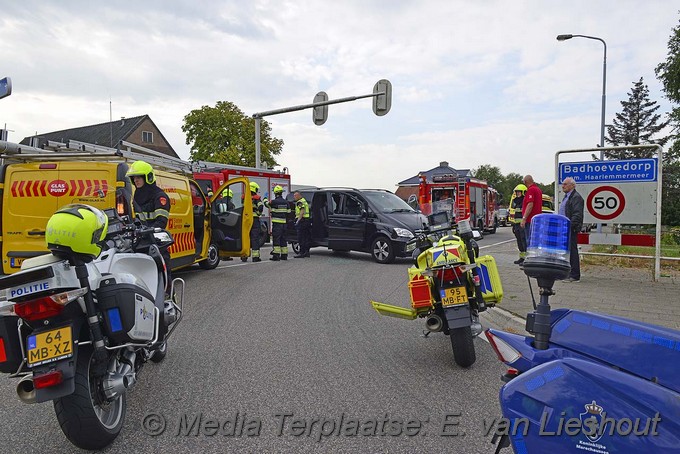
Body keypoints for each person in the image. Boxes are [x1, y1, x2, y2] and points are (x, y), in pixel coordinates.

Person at [125, 160, 172, 289]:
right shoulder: (137, 197)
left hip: (157, 244)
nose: (136, 180)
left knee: (163, 278)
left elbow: (161, 222)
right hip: (141, 243)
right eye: (134, 178)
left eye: (139, 177)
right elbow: (137, 219)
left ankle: (168, 301)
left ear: (148, 177)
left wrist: (147, 231)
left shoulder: (159, 196)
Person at [560, 177, 584, 282]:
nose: (563, 186)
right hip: (564, 227)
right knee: (567, 251)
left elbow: (577, 214)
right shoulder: (567, 197)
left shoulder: (576, 197)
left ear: (572, 185)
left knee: (572, 251)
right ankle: (568, 272)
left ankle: (574, 275)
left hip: (570, 228)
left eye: (565, 184)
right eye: (563, 184)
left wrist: (570, 226)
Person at [242, 181, 264, 262]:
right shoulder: (256, 198)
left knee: (245, 237)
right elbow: (261, 207)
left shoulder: (244, 197)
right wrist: (258, 213)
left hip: (245, 220)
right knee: (255, 238)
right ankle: (255, 257)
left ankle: (244, 256)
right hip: (254, 220)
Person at [519, 175, 543, 246]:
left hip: (530, 220)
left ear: (525, 182)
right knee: (535, 240)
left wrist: (524, 218)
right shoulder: (538, 190)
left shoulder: (531, 190)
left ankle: (530, 256)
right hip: (536, 219)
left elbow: (530, 204)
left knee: (529, 240)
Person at [269, 186, 290, 261]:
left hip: (277, 224)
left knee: (276, 239)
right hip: (284, 224)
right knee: (283, 239)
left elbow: (267, 204)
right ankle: (284, 255)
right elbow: (289, 212)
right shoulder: (286, 202)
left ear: (275, 193)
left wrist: (265, 199)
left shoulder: (274, 202)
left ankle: (276, 256)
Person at [509, 184, 527, 265]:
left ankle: (526, 259)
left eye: (519, 192)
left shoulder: (524, 201)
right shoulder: (516, 201)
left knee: (524, 241)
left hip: (522, 224)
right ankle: (522, 257)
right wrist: (513, 224)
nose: (517, 193)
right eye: (516, 192)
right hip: (516, 224)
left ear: (523, 192)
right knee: (519, 241)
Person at [293, 191, 311, 258]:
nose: (294, 197)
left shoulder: (299, 202)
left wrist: (298, 221)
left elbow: (302, 211)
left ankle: (302, 252)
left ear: (299, 195)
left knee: (301, 238)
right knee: (306, 237)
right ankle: (307, 252)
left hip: (302, 221)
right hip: (306, 221)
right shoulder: (304, 201)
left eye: (295, 195)